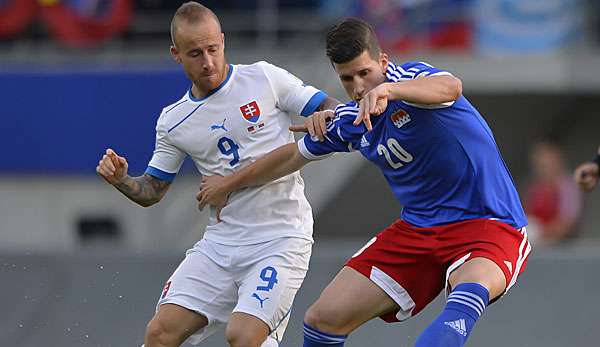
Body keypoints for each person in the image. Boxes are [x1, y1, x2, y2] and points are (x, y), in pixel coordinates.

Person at [197, 17, 531, 347]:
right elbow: (290, 157)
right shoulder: (352, 120)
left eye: (365, 73)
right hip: (417, 230)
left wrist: (390, 89)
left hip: (488, 223)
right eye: (347, 78)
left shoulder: (411, 79)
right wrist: (228, 183)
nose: (358, 87)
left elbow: (451, 87)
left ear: (383, 62)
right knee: (322, 320)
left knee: (464, 298)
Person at [95, 2, 339, 347]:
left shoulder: (264, 77)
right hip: (221, 245)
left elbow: (330, 106)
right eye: (195, 53)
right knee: (159, 334)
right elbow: (152, 191)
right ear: (175, 54)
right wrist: (122, 179)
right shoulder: (173, 121)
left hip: (281, 239)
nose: (208, 62)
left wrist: (323, 116)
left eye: (213, 49)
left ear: (222, 41)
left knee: (242, 335)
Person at [524, 140, 582, 246]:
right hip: (536, 247)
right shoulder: (535, 187)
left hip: (561, 248)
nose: (543, 169)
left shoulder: (567, 187)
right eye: (540, 164)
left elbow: (567, 223)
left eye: (547, 163)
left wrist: (540, 234)